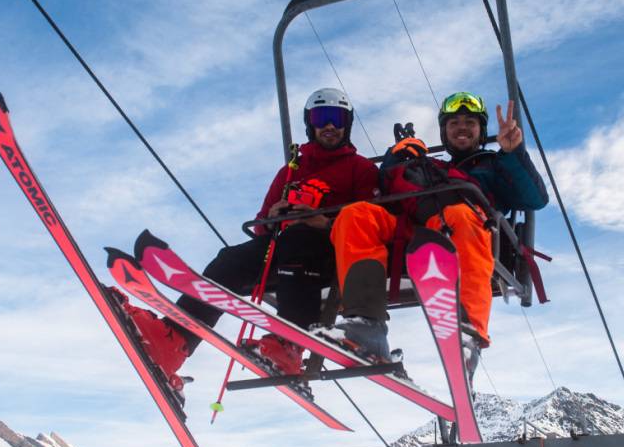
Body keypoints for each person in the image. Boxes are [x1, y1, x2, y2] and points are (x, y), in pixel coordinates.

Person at [121, 87, 379, 395]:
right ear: (310, 123)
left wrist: (324, 223)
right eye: (322, 117)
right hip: (282, 249)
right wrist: (273, 215)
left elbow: (370, 220)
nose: (330, 126)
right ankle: (174, 341)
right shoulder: (291, 170)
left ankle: (289, 346)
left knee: (300, 239)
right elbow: (261, 224)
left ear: (347, 124)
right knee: (228, 260)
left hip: (329, 253)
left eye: (337, 118)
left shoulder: (361, 169)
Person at [329, 91, 548, 378]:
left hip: (467, 231)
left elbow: (534, 199)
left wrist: (513, 152)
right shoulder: (434, 167)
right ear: (444, 131)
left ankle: (467, 334)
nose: (462, 127)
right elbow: (389, 194)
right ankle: (366, 326)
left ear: (482, 130)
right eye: (454, 122)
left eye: (470, 122)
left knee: (458, 214)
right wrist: (396, 161)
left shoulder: (494, 165)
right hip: (417, 230)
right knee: (356, 214)